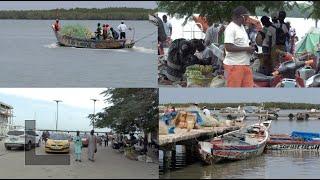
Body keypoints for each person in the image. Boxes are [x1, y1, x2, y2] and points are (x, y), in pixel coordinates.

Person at [223, 6, 255, 87]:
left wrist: (250, 47)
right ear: (242, 16)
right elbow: (228, 47)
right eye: (247, 16)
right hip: (234, 65)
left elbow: (244, 43)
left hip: (245, 64)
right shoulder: (231, 28)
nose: (248, 18)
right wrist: (246, 49)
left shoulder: (241, 27)